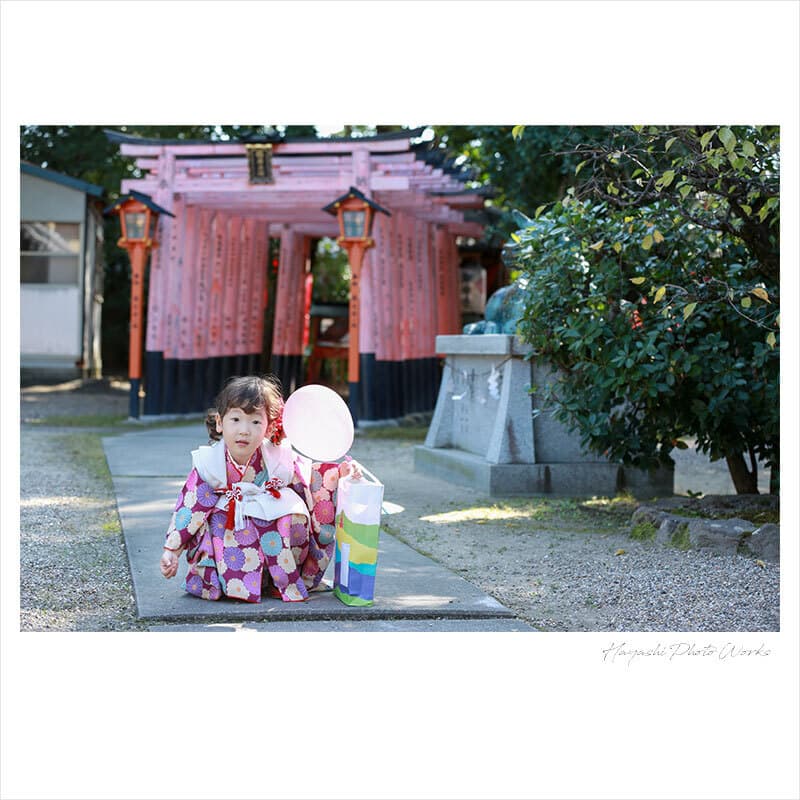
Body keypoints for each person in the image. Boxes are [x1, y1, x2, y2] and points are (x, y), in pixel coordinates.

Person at [159, 374, 360, 603]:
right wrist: (171, 550)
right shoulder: (210, 463)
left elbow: (311, 478)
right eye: (235, 419)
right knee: (216, 519)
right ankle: (229, 583)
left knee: (294, 513)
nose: (244, 430)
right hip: (228, 536)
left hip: (275, 539)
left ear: (268, 427)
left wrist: (338, 474)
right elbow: (190, 504)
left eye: (255, 422)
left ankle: (278, 581)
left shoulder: (278, 456)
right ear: (219, 422)